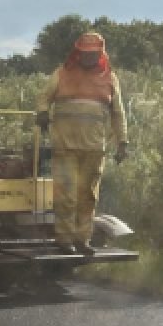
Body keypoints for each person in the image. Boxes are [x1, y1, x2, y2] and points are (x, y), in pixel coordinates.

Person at [36, 32, 129, 255]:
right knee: (66, 195)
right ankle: (64, 240)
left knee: (88, 196)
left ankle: (82, 240)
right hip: (65, 146)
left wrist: (123, 142)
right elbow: (43, 97)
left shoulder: (110, 79)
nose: (89, 57)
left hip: (94, 148)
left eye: (93, 53)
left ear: (100, 53)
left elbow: (118, 113)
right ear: (78, 52)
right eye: (85, 53)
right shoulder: (61, 73)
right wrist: (42, 112)